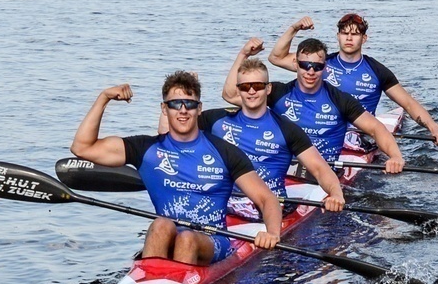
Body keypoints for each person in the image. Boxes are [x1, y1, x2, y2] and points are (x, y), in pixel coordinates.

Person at [70, 71, 282, 265]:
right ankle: (151, 282)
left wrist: (272, 234)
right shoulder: (146, 149)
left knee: (187, 239)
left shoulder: (225, 152)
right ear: (164, 108)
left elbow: (267, 199)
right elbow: (82, 147)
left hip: (213, 240)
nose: (182, 110)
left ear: (199, 109)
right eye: (175, 104)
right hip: (168, 233)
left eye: (189, 104)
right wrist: (103, 98)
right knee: (160, 224)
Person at [160, 59, 346, 221]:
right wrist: (180, 97)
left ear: (268, 88)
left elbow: (320, 169)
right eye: (244, 87)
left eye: (257, 86)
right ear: (238, 90)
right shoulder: (216, 120)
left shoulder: (287, 129)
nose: (251, 91)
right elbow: (165, 137)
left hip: (265, 206)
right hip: (223, 202)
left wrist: (336, 194)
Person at [222, 37, 405, 173]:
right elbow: (230, 95)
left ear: (325, 67)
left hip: (321, 171)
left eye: (317, 67)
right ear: (296, 64)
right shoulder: (277, 92)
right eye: (305, 65)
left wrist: (395, 157)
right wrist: (243, 54)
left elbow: (376, 129)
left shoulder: (340, 100)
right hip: (284, 168)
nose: (310, 71)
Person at [269, 14, 438, 145]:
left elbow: (408, 104)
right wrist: (294, 29)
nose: (349, 37)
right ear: (338, 36)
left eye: (355, 34)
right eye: (344, 33)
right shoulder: (318, 64)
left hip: (359, 136)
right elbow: (276, 58)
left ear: (364, 39)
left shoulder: (377, 71)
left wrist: (435, 129)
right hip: (322, 134)